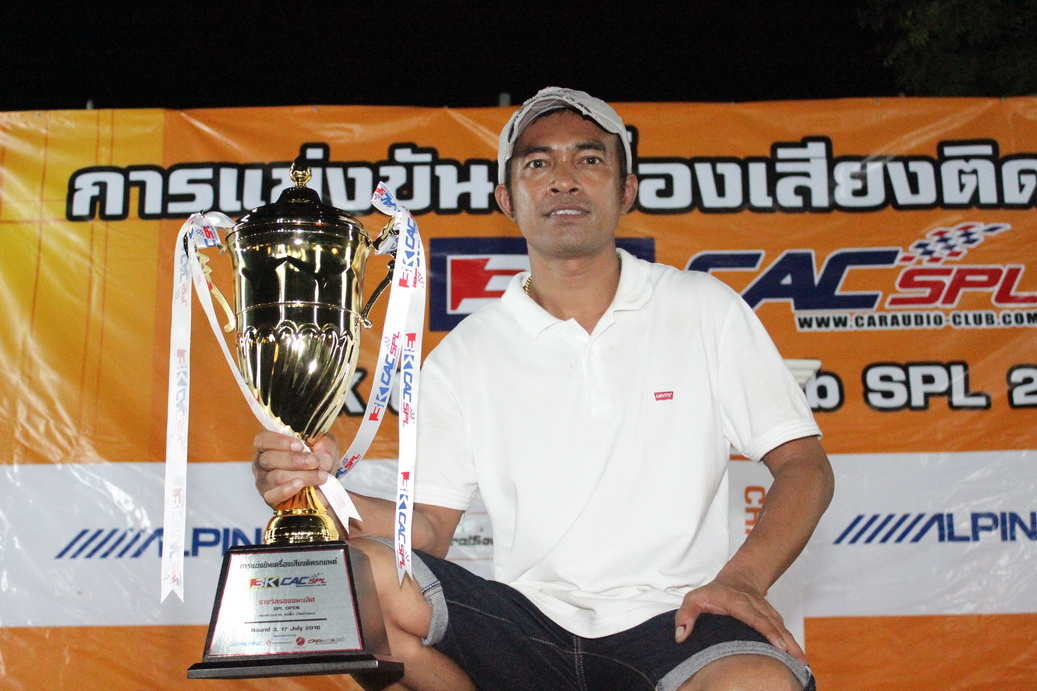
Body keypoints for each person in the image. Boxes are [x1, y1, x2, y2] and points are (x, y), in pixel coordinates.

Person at [254, 87, 835, 691]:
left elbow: (805, 466)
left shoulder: (702, 307)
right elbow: (425, 528)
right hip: (524, 628)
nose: (564, 180)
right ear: (506, 199)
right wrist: (316, 492)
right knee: (354, 580)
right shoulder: (465, 353)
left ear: (626, 189)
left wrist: (742, 580)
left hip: (680, 621)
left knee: (760, 683)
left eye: (589, 159)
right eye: (538, 163)